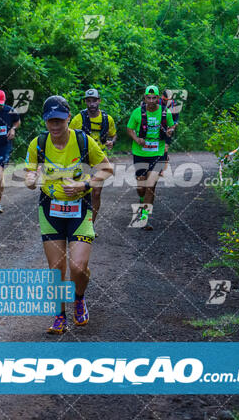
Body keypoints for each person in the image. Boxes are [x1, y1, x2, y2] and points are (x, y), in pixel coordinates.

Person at [25, 95, 113, 334]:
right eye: (50, 121)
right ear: (45, 121)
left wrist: (84, 186)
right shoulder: (38, 144)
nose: (55, 126)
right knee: (56, 267)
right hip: (50, 209)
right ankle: (59, 315)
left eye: (59, 121)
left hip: (79, 209)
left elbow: (107, 168)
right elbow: (29, 174)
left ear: (67, 119)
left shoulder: (83, 141)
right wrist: (31, 180)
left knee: (78, 267)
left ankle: (80, 297)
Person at [127, 85, 174, 230]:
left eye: (154, 98)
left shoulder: (165, 112)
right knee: (141, 187)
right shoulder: (137, 113)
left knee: (150, 185)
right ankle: (142, 200)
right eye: (149, 98)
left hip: (157, 153)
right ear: (144, 98)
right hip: (140, 153)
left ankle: (144, 218)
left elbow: (171, 127)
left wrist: (170, 131)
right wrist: (137, 139)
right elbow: (129, 129)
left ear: (158, 98)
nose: (152, 101)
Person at [70, 88, 117, 227]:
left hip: (99, 159)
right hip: (82, 159)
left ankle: (90, 225)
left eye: (94, 101)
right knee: (80, 192)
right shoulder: (78, 119)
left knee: (96, 193)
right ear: (85, 102)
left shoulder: (107, 119)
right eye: (89, 101)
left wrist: (112, 142)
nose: (92, 104)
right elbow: (69, 136)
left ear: (99, 101)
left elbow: (114, 134)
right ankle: (76, 223)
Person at [158, 89, 179, 176]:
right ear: (161, 97)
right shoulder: (157, 103)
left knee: (165, 148)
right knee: (158, 149)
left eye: (168, 101)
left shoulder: (175, 105)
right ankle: (164, 158)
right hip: (157, 129)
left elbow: (176, 121)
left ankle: (161, 170)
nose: (166, 102)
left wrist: (172, 127)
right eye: (164, 100)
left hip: (168, 129)